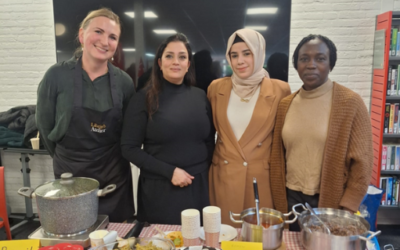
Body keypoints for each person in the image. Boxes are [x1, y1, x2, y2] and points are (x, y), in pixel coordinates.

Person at [36, 8, 135, 222]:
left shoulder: (125, 82)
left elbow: (129, 133)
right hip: (70, 175)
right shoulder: (56, 76)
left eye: (112, 37)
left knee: (117, 238)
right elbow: (44, 126)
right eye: (98, 32)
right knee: (75, 233)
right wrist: (69, 157)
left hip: (113, 175)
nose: (104, 41)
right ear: (82, 35)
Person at [270, 34, 373, 231]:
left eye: (320, 58)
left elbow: (363, 161)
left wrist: (348, 206)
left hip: (331, 201)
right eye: (304, 58)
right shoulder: (286, 104)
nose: (311, 65)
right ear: (296, 64)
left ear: (331, 64)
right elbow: (277, 155)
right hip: (290, 198)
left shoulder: (350, 102)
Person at [121, 33, 215, 224]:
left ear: (188, 64)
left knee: (197, 242)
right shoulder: (143, 99)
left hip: (199, 187)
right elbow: (128, 148)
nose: (176, 62)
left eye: (182, 57)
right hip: (161, 189)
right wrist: (169, 172)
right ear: (159, 62)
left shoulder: (200, 96)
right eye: (169, 56)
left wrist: (202, 169)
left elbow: (208, 140)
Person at [207, 29, 291, 226]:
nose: (239, 61)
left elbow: (284, 139)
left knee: (259, 237)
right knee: (223, 237)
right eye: (234, 55)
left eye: (247, 53)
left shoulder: (280, 90)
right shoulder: (216, 88)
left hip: (261, 179)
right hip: (223, 177)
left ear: (259, 53)